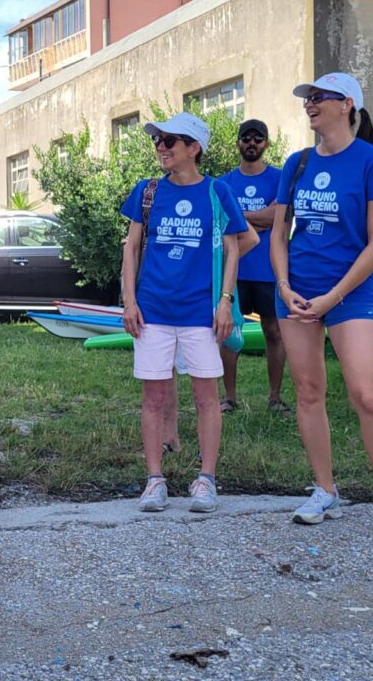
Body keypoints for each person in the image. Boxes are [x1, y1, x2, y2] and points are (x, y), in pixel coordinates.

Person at [269, 72, 373, 544]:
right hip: (297, 292)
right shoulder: (297, 162)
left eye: (318, 97)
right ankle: (325, 489)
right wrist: (285, 285)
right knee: (308, 393)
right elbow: (278, 232)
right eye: (307, 98)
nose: (309, 104)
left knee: (367, 396)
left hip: (350, 293)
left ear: (346, 104)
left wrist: (334, 297)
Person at [120, 113, 247, 514]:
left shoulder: (218, 192)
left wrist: (225, 300)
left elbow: (234, 248)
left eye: (170, 141)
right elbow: (131, 248)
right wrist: (129, 300)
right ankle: (154, 480)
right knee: (153, 397)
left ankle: (206, 480)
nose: (161, 147)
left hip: (201, 314)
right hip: (153, 311)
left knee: (207, 397)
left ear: (194, 148)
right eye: (158, 140)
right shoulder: (148, 191)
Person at [218, 119, 289, 413]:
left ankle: (275, 397)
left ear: (266, 144)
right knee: (230, 334)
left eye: (257, 139)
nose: (251, 143)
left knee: (274, 332)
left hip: (270, 270)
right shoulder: (223, 183)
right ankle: (229, 398)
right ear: (237, 143)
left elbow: (280, 216)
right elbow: (222, 224)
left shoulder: (280, 178)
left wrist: (241, 218)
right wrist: (260, 217)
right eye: (245, 138)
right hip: (234, 272)